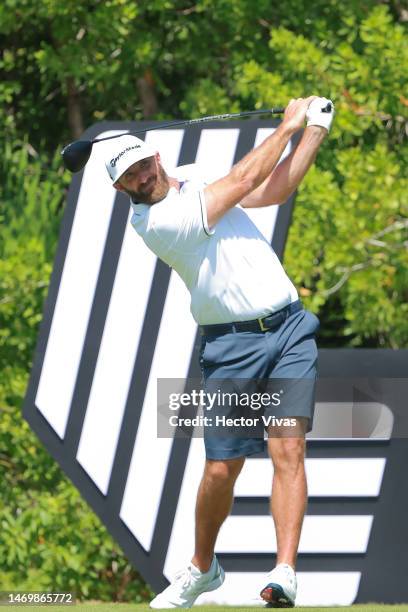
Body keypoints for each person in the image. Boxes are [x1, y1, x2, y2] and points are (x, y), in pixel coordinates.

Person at [104, 96, 334, 608]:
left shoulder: (189, 177)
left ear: (156, 159)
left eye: (143, 166)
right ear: (120, 188)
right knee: (220, 469)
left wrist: (314, 129)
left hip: (290, 328)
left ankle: (284, 573)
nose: (141, 178)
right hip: (231, 347)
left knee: (288, 448)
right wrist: (288, 125)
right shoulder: (157, 224)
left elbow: (273, 191)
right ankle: (203, 568)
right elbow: (246, 180)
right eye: (130, 177)